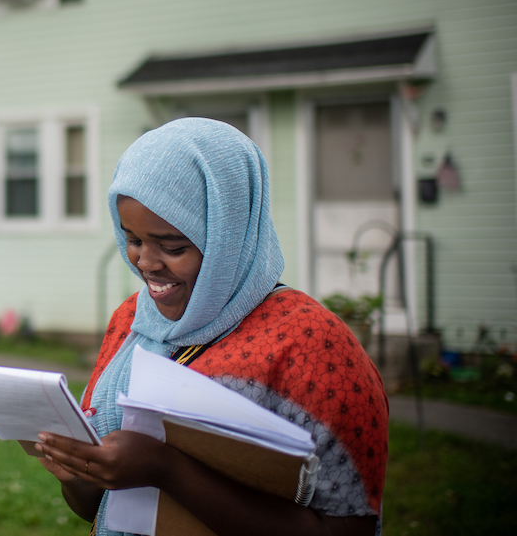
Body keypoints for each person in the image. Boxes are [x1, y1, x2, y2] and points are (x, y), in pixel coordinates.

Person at [35, 118, 387, 536]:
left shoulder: (312, 345)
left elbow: (348, 528)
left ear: (229, 233)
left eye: (172, 246)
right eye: (132, 239)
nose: (146, 263)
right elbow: (96, 505)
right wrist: (77, 472)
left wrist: (166, 470)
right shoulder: (130, 321)